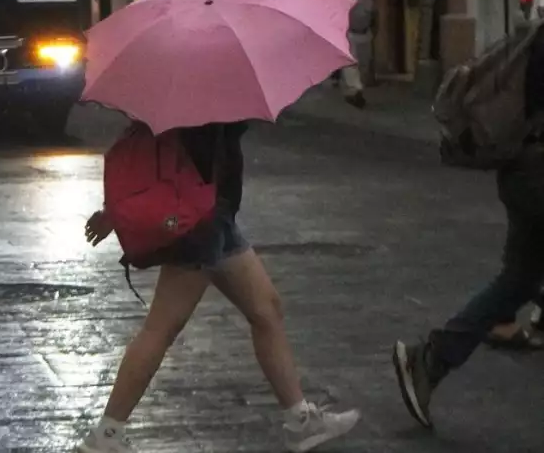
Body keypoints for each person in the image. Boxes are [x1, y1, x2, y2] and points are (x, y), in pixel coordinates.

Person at [77, 123, 360, 453]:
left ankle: (300, 423)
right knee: (161, 328)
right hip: (199, 220)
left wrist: (116, 211)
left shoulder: (186, 92)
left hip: (216, 215)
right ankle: (106, 436)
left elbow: (155, 151)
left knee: (266, 309)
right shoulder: (208, 95)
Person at [393, 25, 544, 428]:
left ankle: (430, 360)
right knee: (518, 280)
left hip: (523, 173)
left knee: (517, 281)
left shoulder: (535, 38)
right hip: (537, 178)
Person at [341, 0, 376, 109]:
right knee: (356, 64)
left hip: (357, 34)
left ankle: (356, 89)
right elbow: (374, 19)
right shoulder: (368, 3)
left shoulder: (352, 3)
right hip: (360, 34)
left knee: (355, 64)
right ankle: (356, 89)